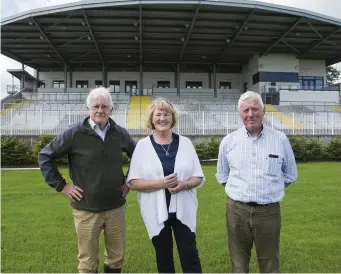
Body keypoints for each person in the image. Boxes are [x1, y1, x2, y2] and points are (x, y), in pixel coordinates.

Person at [38, 87, 136, 273]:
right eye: (96, 106)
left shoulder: (120, 133)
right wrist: (62, 185)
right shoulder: (75, 133)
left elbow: (138, 156)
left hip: (116, 207)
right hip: (86, 209)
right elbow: (45, 156)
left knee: (116, 259)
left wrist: (129, 180)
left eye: (104, 106)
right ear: (88, 109)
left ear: (111, 110)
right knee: (88, 262)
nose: (100, 110)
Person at [216, 91, 298, 273]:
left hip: (269, 212)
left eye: (255, 109)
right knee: (238, 263)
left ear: (264, 110)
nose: (251, 114)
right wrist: (242, 192)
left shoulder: (280, 139)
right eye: (246, 110)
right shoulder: (229, 141)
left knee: (270, 263)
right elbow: (222, 176)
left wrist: (269, 188)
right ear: (240, 113)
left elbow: (291, 174)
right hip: (236, 211)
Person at [126, 98, 204, 273]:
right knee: (164, 260)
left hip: (183, 210)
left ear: (173, 118)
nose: (163, 118)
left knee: (190, 256)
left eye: (166, 114)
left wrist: (184, 185)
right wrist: (161, 183)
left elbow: (198, 176)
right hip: (156, 212)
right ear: (152, 119)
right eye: (158, 114)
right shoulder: (142, 146)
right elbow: (133, 182)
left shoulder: (185, 143)